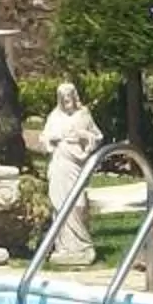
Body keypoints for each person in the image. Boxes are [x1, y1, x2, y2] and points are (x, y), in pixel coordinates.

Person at [36, 79, 104, 266]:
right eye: (63, 98)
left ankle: (82, 245)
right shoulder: (54, 116)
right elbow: (44, 138)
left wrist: (85, 137)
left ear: (74, 97)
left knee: (77, 203)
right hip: (60, 163)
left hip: (76, 163)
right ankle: (65, 247)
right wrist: (51, 139)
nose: (66, 101)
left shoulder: (84, 114)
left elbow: (97, 137)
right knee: (60, 204)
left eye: (69, 97)